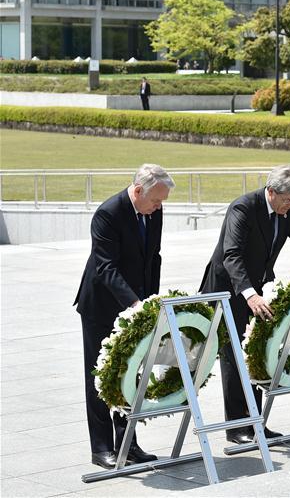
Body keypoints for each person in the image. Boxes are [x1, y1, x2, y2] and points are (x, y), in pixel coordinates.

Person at [199, 165, 290, 444]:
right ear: (272, 192)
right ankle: (238, 427)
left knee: (256, 353)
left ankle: (255, 422)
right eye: (289, 200)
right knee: (234, 356)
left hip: (259, 290)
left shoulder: (286, 209)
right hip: (230, 290)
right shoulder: (243, 208)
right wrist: (249, 294)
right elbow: (232, 256)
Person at [76, 164, 174, 469]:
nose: (159, 207)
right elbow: (106, 267)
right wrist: (134, 303)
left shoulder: (154, 209)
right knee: (100, 374)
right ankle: (101, 447)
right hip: (102, 305)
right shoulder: (108, 214)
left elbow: (153, 257)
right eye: (156, 201)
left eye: (161, 203)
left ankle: (128, 444)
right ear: (138, 190)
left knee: (130, 374)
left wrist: (151, 301)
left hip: (136, 303)